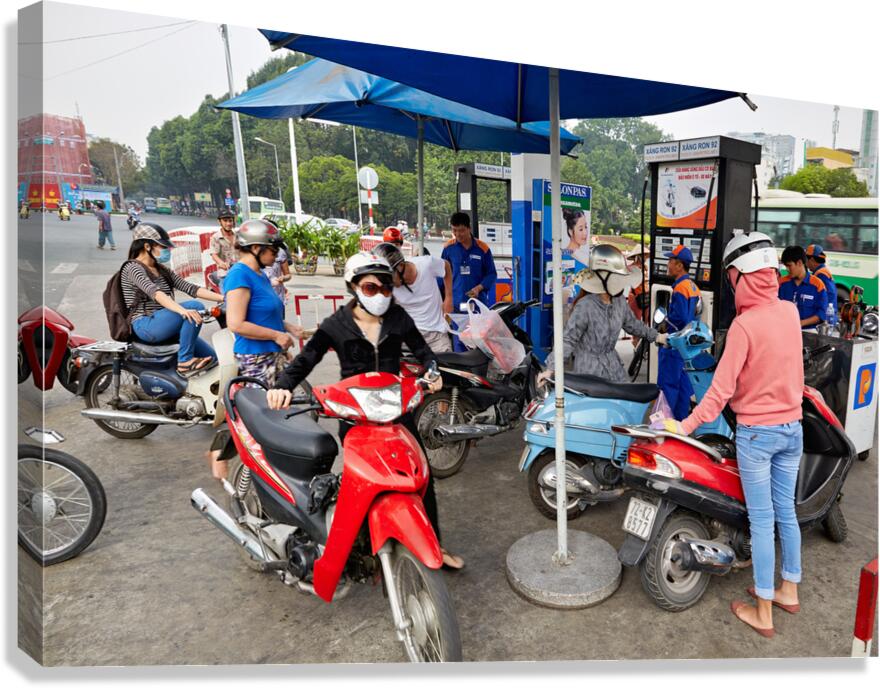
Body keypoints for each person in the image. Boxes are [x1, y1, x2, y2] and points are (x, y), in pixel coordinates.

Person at [266, 252, 463, 569]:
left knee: (421, 477)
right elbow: (306, 359)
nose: (382, 294)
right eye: (372, 288)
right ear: (353, 286)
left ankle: (435, 546)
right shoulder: (335, 324)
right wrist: (282, 386)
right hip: (353, 416)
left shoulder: (399, 318)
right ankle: (349, 546)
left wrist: (432, 371)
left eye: (387, 287)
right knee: (357, 484)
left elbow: (424, 352)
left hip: (396, 413)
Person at [660, 231, 804, 638]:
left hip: (757, 435)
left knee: (760, 521)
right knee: (785, 514)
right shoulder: (790, 312)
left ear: (741, 275)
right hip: (792, 430)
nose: (729, 286)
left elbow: (717, 393)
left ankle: (763, 610)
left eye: (729, 278)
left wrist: (682, 426)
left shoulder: (744, 326)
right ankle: (788, 590)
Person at [536, 244, 667, 385]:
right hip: (589, 372)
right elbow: (568, 339)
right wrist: (551, 368)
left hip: (614, 368)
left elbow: (633, 325)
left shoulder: (619, 302)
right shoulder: (585, 306)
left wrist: (657, 336)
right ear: (605, 279)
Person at [122, 224, 223, 375]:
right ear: (147, 246)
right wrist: (183, 310)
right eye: (162, 246)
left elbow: (191, 288)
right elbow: (155, 293)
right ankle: (184, 362)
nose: (167, 250)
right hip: (145, 324)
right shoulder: (132, 268)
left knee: (214, 359)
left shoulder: (162, 270)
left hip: (164, 322)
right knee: (194, 306)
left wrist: (225, 298)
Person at [224, 219, 304, 385]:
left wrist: (288, 328)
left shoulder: (261, 275)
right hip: (255, 358)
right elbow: (236, 324)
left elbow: (262, 315)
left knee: (281, 406)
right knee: (264, 408)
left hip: (272, 353)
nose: (276, 256)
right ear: (255, 248)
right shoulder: (239, 274)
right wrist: (277, 336)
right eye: (273, 251)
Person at [373, 241, 454, 352]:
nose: (388, 283)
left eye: (389, 278)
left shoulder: (427, 264)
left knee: (446, 367)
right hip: (408, 338)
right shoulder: (387, 287)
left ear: (400, 266)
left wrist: (449, 297)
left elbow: (446, 266)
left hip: (437, 336)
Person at [657, 244, 702, 420]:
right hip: (688, 347)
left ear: (679, 265)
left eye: (670, 260)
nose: (668, 264)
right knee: (683, 388)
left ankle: (665, 429)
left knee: (668, 388)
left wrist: (664, 327)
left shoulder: (679, 289)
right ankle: (681, 428)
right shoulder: (693, 286)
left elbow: (681, 319)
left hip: (675, 346)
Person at [441, 212, 497, 351]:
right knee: (459, 342)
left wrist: (479, 288)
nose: (457, 234)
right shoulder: (448, 248)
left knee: (479, 342)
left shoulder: (482, 248)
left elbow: (491, 274)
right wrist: (445, 301)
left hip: (477, 305)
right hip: (456, 306)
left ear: (469, 228)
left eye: (461, 230)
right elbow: (442, 275)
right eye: (454, 230)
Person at [778, 245, 828, 329]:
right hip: (784, 330)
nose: (786, 269)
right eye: (785, 266)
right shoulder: (781, 283)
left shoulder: (818, 285)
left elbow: (821, 313)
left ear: (799, 263)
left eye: (789, 265)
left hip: (809, 331)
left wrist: (800, 323)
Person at [805, 244, 839, 326]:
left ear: (812, 260)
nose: (806, 263)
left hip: (826, 320)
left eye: (806, 260)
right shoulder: (821, 271)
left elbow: (827, 297)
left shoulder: (821, 275)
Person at [209, 209, 239, 290]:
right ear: (220, 222)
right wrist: (221, 263)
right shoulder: (216, 237)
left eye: (230, 221)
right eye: (225, 221)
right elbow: (213, 254)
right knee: (227, 299)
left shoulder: (238, 236)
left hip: (239, 271)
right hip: (225, 273)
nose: (228, 223)